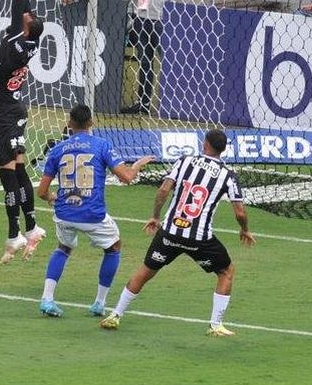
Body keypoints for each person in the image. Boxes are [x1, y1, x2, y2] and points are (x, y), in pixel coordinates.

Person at [99, 129, 255, 336]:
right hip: (200, 240)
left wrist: (155, 216)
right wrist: (244, 230)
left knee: (146, 271)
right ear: (223, 149)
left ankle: (115, 314)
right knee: (226, 272)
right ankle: (215, 325)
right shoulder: (228, 175)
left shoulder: (184, 161)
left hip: (170, 233)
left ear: (205, 145)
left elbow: (164, 190)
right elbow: (240, 211)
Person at [35, 104, 153, 317]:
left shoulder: (57, 149)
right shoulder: (101, 145)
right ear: (91, 123)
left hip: (64, 213)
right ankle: (99, 303)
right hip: (92, 214)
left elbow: (42, 191)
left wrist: (53, 198)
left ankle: (47, 298)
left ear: (69, 124)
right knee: (114, 247)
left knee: (63, 247)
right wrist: (137, 165)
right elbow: (126, 178)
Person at [0, 0, 47, 263]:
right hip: (15, 108)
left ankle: (14, 233)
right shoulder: (27, 41)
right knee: (19, 168)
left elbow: (17, 4)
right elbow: (23, 3)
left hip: (5, 112)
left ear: (25, 27)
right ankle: (32, 227)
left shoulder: (13, 47)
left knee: (7, 173)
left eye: (27, 17)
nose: (26, 12)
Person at [122, 0, 185, 116]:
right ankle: (143, 104)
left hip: (161, 18)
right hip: (142, 14)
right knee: (145, 61)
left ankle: (175, 105)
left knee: (167, 60)